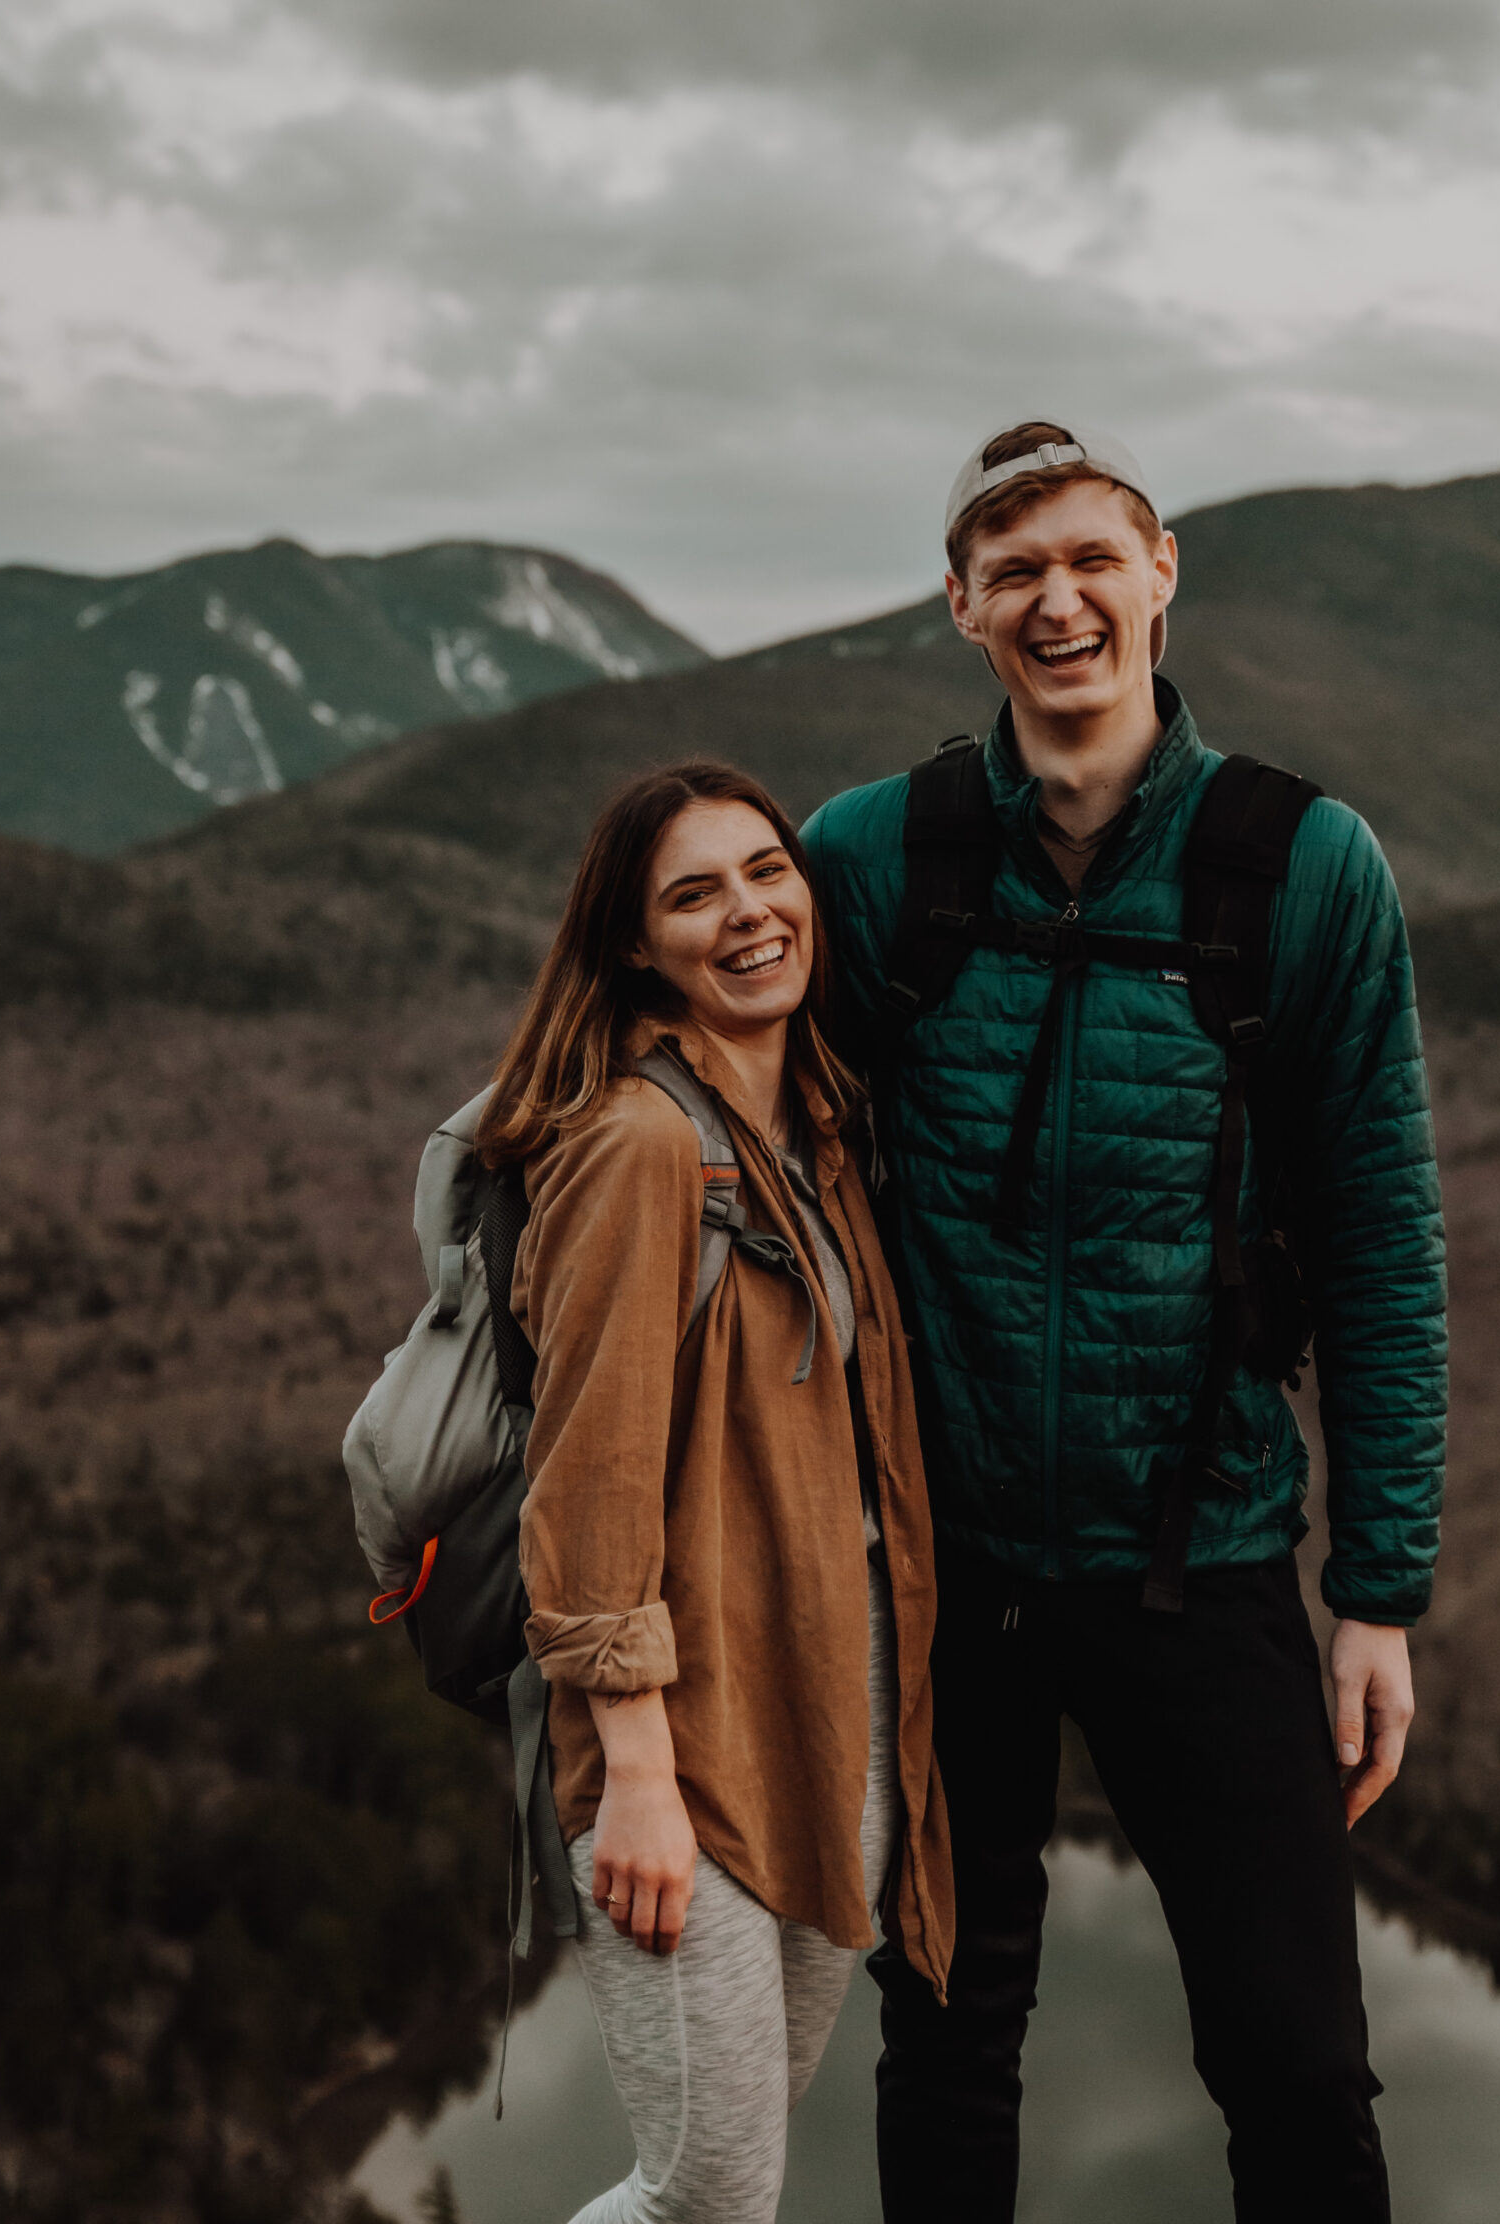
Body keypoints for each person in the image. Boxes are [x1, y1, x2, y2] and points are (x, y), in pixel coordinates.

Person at [802, 421, 1447, 2222]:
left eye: (1091, 559)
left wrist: (1381, 1588)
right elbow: (727, 1129)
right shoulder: (878, 857)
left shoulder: (1299, 865)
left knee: (1298, 2065)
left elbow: (1384, 1232)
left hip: (1209, 1549)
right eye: (1013, 572)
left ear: (1163, 577)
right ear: (960, 606)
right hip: (942, 1562)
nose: (1058, 600)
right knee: (944, 2041)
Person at [473, 760, 951, 2224]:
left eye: (767, 870)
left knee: (735, 2159)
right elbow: (590, 1480)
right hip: (673, 1728)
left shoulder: (818, 1126)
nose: (748, 913)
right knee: (713, 2190)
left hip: (831, 1691)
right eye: (695, 893)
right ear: (633, 944)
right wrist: (634, 1775)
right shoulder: (637, 1144)